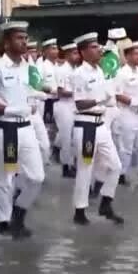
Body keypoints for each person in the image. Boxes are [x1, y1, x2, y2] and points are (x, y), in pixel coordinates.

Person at [0, 21, 45, 238]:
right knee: (5, 179)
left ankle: (18, 212)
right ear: (7, 42)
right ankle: (3, 222)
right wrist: (15, 109)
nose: (24, 42)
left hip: (26, 128)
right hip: (5, 128)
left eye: (25, 38)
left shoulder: (30, 68)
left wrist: (38, 97)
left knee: (37, 177)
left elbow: (34, 91)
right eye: (19, 38)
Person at [68, 32, 124, 226]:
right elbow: (79, 103)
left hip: (101, 124)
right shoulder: (78, 74)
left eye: (98, 46)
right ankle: (80, 210)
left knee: (115, 166)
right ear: (83, 52)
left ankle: (106, 203)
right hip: (85, 125)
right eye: (93, 47)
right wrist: (101, 99)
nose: (99, 49)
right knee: (85, 169)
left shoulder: (99, 71)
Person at [113, 38, 138, 185]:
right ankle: (121, 173)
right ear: (127, 56)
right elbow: (117, 93)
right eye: (135, 54)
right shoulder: (122, 73)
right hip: (127, 113)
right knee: (126, 146)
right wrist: (133, 102)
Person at [54, 43, 79, 177]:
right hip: (64, 105)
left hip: (74, 106)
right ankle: (66, 166)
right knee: (66, 138)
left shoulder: (75, 70)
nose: (77, 56)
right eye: (74, 53)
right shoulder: (62, 70)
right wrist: (77, 93)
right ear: (68, 54)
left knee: (75, 137)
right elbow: (60, 92)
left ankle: (72, 163)